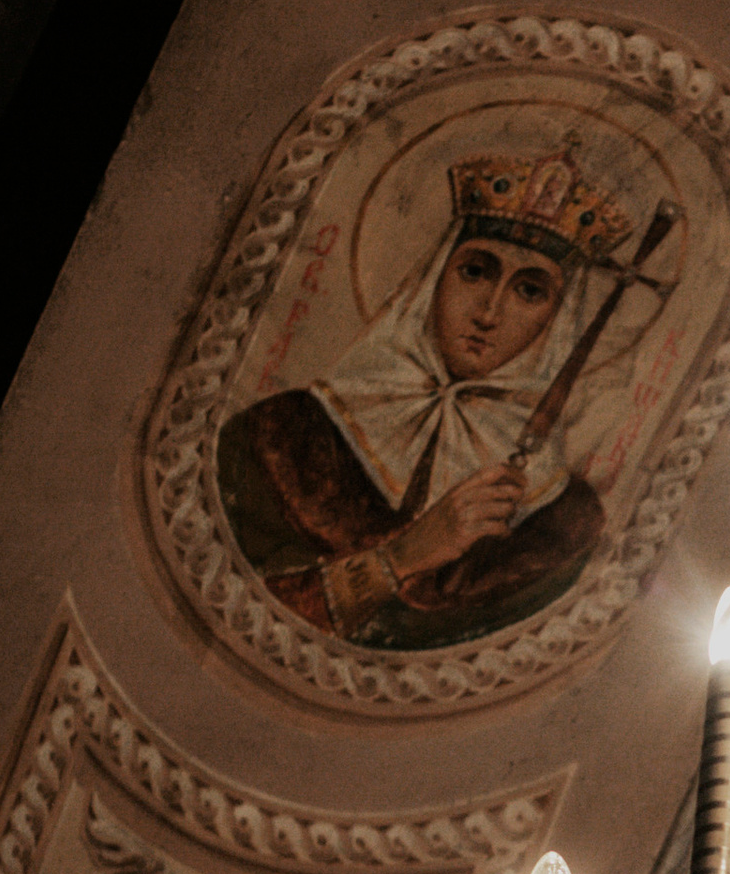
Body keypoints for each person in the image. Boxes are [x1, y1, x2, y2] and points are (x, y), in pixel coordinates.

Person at [214, 151, 657, 650]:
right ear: (430, 280)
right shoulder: (285, 432)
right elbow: (227, 618)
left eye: (529, 291)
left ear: (558, 322)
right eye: (475, 272)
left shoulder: (562, 524)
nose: (489, 312)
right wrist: (401, 558)